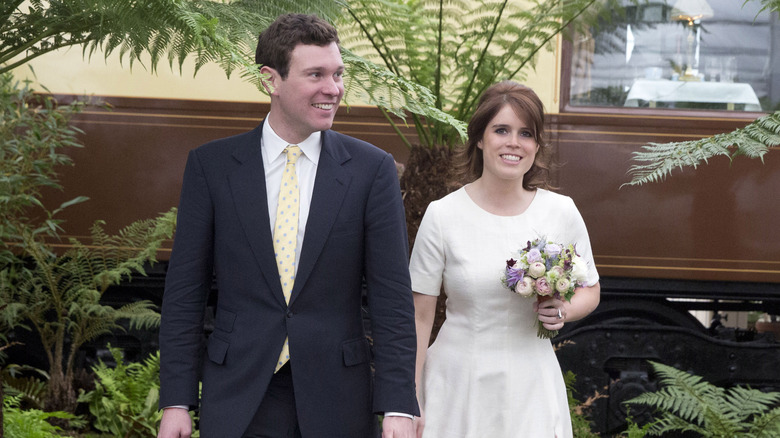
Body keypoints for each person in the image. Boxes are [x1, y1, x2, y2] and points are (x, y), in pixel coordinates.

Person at [157, 13, 419, 438]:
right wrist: (176, 401)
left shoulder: (372, 170)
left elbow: (391, 300)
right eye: (315, 74)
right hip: (239, 395)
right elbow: (185, 293)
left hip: (338, 397)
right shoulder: (212, 166)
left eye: (337, 74)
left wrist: (398, 407)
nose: (332, 89)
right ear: (269, 80)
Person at [410, 81, 600, 438]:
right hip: (457, 384)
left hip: (532, 387)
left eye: (526, 133)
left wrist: (563, 310)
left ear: (537, 145)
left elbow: (591, 289)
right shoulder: (442, 216)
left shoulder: (561, 212)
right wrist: (410, 396)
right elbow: (419, 317)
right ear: (480, 138)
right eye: (501, 130)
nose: (514, 142)